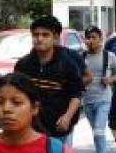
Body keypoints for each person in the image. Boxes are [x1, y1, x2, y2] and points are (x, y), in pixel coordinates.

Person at [14, 16, 83, 145]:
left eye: (45, 35)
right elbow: (17, 95)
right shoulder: (23, 65)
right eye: (36, 35)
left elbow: (76, 94)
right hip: (31, 130)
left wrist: (67, 117)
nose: (39, 39)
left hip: (59, 129)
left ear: (55, 38)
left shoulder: (67, 64)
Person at [82, 27, 116, 153]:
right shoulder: (81, 57)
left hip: (104, 99)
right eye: (88, 37)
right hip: (87, 100)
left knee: (99, 130)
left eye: (94, 37)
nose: (91, 40)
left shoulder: (109, 56)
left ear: (100, 39)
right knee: (96, 131)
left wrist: (111, 79)